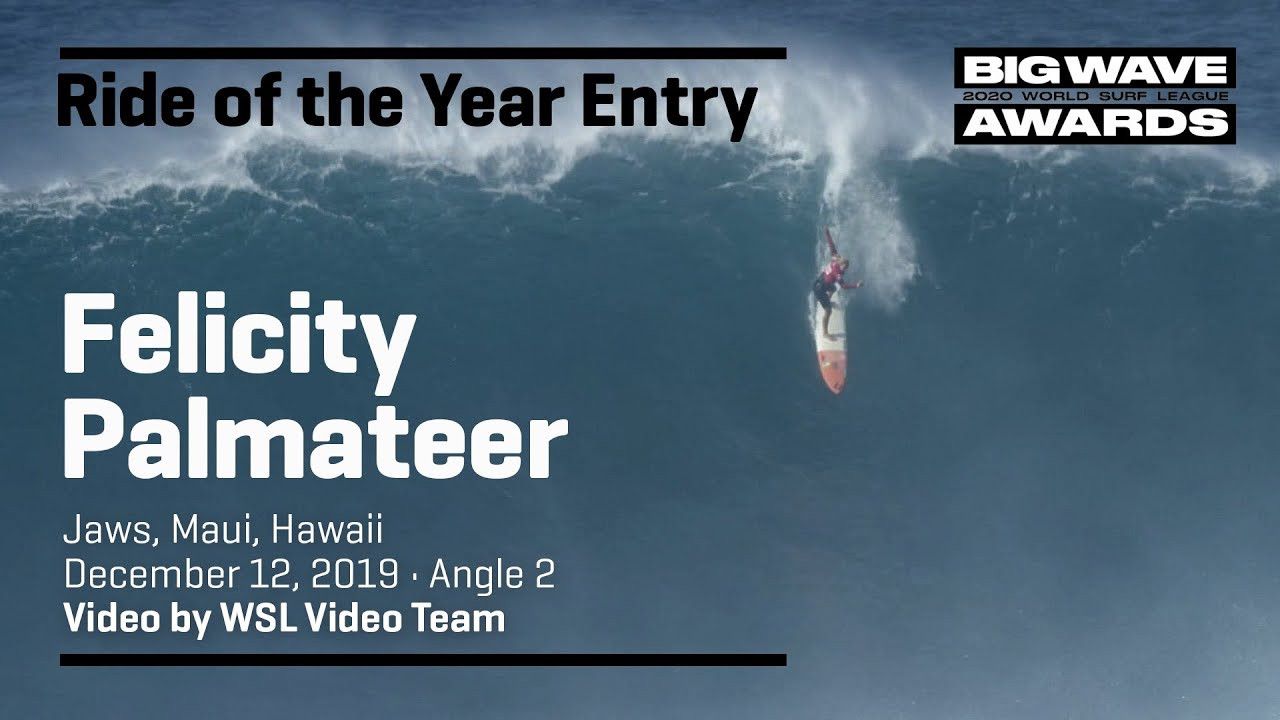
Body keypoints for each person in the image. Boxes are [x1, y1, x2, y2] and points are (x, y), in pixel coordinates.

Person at [813, 226, 862, 340]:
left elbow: (831, 246)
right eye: (844, 267)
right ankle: (825, 333)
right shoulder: (838, 273)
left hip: (820, 282)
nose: (845, 269)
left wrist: (827, 233)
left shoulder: (835, 258)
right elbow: (843, 286)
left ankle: (828, 300)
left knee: (833, 288)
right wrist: (856, 285)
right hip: (819, 289)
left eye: (846, 268)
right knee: (828, 311)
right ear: (841, 265)